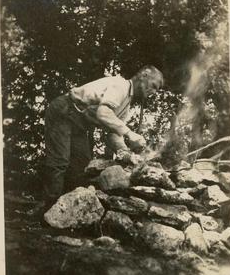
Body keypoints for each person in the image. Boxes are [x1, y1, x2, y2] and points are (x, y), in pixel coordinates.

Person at [43, 65, 164, 200]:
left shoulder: (126, 105)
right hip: (64, 111)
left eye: (156, 90)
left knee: (81, 166)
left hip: (79, 124)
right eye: (153, 85)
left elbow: (113, 134)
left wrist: (128, 155)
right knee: (59, 162)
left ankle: (67, 210)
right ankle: (47, 211)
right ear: (144, 75)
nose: (153, 91)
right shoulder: (121, 85)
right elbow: (103, 113)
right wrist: (130, 133)